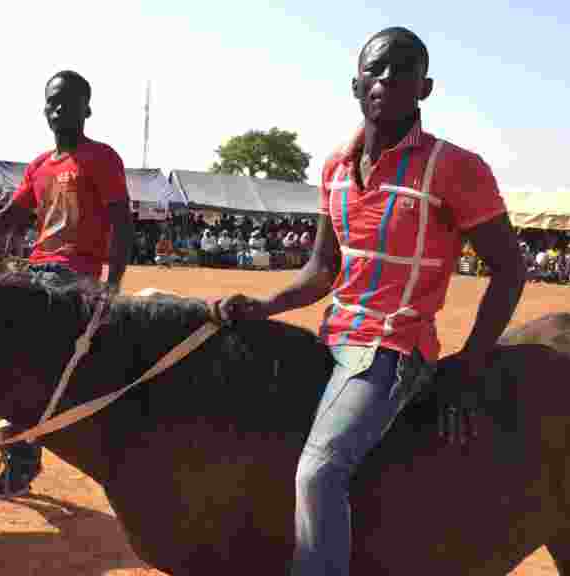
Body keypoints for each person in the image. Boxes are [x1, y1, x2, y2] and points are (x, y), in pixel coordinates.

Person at [214, 27, 526, 575]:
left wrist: (471, 366)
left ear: (424, 88)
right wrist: (261, 307)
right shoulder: (334, 165)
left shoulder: (456, 168)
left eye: (401, 71)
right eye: (375, 70)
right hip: (332, 337)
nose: (385, 80)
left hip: (392, 349)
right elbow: (322, 269)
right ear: (356, 84)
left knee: (318, 473)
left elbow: (509, 271)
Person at [0, 70, 133, 498]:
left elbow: (123, 223)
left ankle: (20, 465)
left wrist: (113, 283)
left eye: (67, 102)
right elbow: (11, 216)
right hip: (36, 271)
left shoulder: (102, 158)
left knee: (26, 365)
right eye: (51, 102)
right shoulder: (38, 166)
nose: (58, 110)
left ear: (87, 109)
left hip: (74, 278)